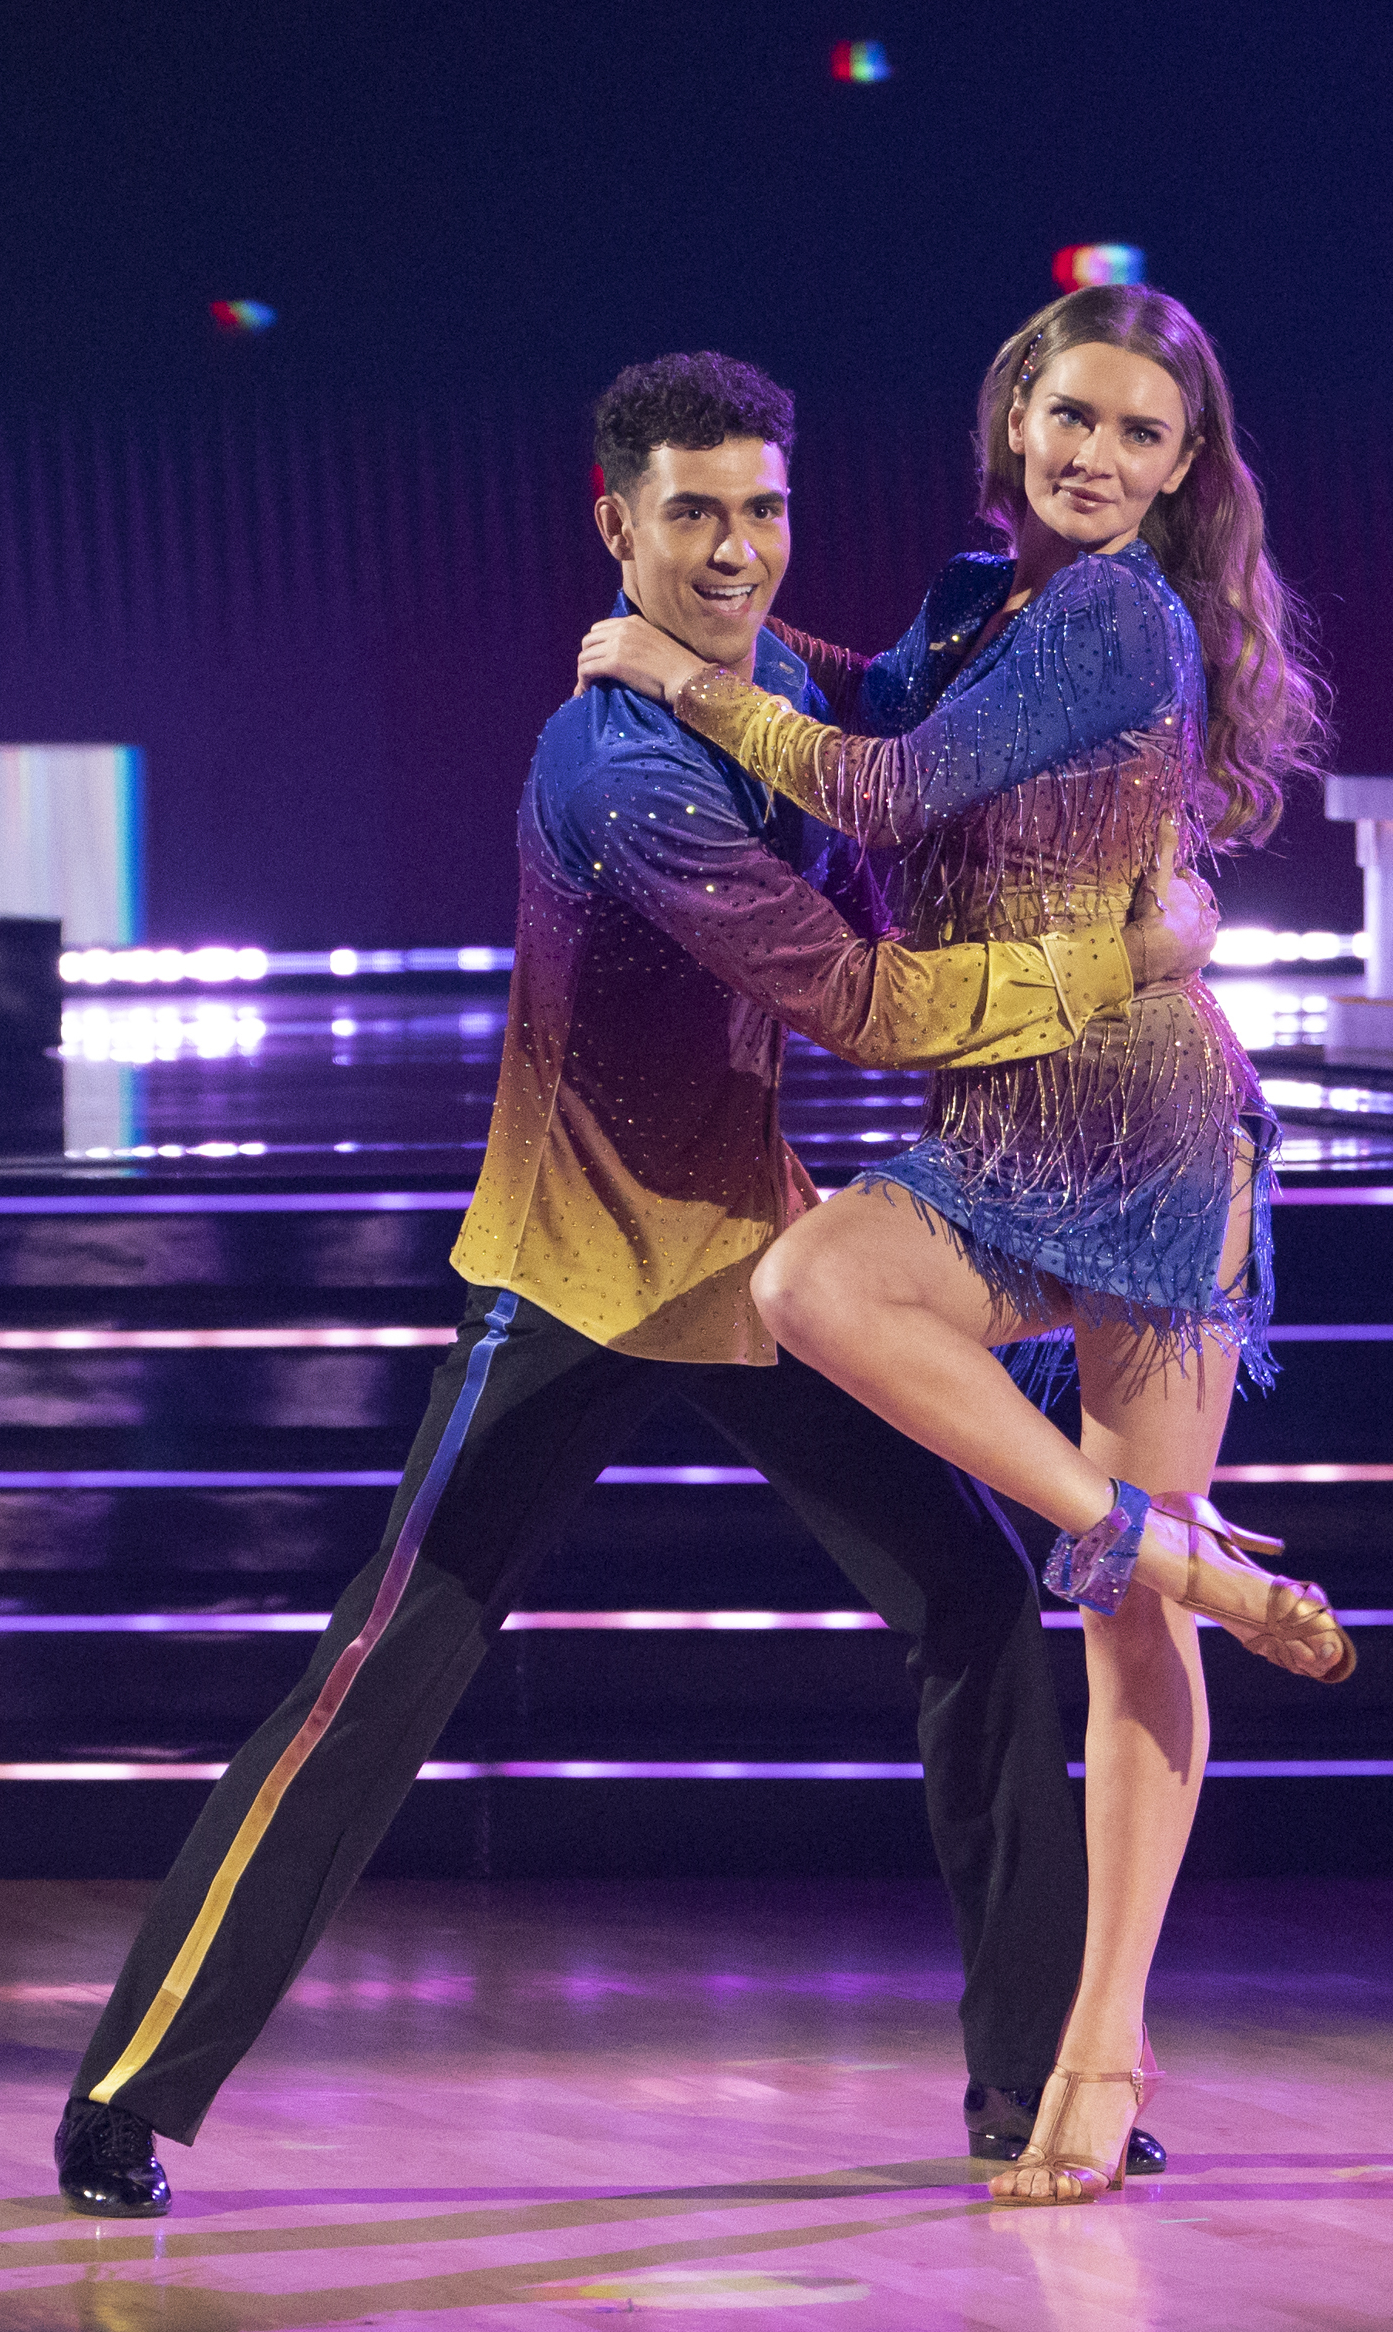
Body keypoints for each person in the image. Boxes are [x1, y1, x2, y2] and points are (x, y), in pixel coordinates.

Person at [53, 349, 1209, 2217]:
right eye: (695, 514)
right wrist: (1127, 970)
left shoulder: (747, 681)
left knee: (977, 1617)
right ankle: (129, 2091)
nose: (738, 549)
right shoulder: (619, 766)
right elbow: (865, 1001)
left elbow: (896, 717)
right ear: (617, 525)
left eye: (762, 509)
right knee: (387, 1672)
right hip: (580, 1273)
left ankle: (1035, 2091)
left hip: (757, 1260)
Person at [576, 285, 1349, 2206]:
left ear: (1182, 473)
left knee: (1130, 1650)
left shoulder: (1119, 610)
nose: (1096, 457)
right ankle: (1146, 1538)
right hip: (1007, 1117)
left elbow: (892, 788)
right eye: (1071, 418)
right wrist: (726, 638)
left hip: (1154, 1119)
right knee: (819, 1282)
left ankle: (1103, 2047)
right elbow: (866, 707)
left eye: (1140, 437)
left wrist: (673, 675)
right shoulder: (977, 597)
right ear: (1015, 416)